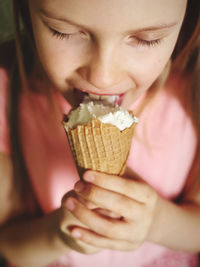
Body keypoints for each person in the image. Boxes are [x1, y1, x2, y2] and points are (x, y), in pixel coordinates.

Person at [0, 0, 200, 266]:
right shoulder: (8, 95)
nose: (102, 77)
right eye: (63, 31)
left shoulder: (192, 91)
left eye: (147, 39)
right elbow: (12, 248)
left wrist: (157, 223)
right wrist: (60, 235)